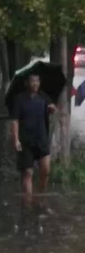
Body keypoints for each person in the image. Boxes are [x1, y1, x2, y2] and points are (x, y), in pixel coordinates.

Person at [10, 74, 57, 210]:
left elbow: (53, 108)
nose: (35, 84)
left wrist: (52, 109)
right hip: (26, 141)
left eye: (37, 81)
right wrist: (16, 139)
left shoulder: (43, 97)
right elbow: (15, 121)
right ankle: (28, 204)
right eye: (32, 81)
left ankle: (39, 198)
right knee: (28, 173)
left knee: (45, 170)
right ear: (26, 83)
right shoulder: (19, 99)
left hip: (41, 139)